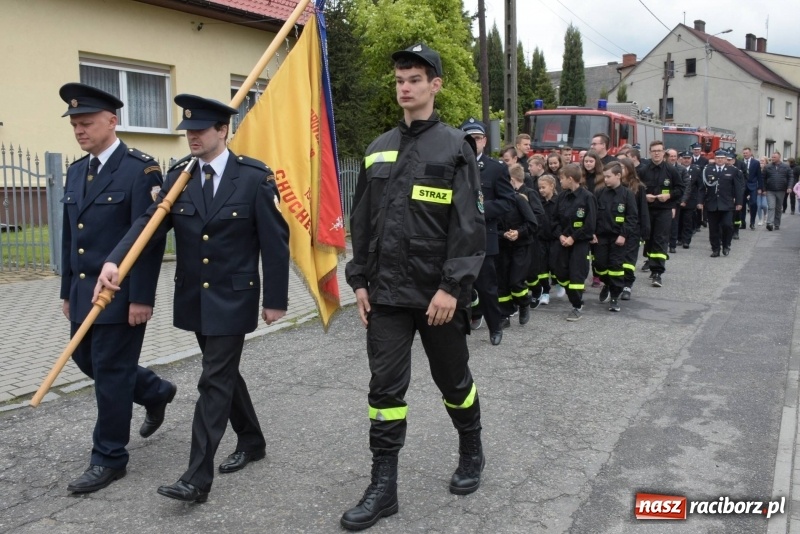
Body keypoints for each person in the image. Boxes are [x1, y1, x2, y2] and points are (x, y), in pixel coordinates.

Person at [95, 94, 290, 503]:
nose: (192, 137)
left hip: (234, 299)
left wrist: (276, 298)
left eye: (201, 130)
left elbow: (275, 244)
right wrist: (116, 261)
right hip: (194, 298)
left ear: (223, 130)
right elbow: (149, 224)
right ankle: (252, 441)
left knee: (213, 380)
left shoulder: (253, 177)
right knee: (224, 373)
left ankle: (196, 478)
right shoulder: (180, 175)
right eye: (188, 131)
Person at [341, 44, 487, 531]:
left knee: (454, 384)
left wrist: (451, 287)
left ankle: (471, 449)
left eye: (415, 79)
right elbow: (361, 219)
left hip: (437, 297)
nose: (405, 87)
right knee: (384, 390)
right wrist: (358, 279)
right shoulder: (379, 146)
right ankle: (383, 487)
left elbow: (468, 226)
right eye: (400, 80)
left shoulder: (455, 147)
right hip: (384, 295)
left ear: (434, 86)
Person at [58, 83, 175, 494]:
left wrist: (141, 296)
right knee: (86, 361)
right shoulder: (76, 171)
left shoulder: (139, 170)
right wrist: (65, 290)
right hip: (82, 293)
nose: (79, 130)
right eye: (75, 124)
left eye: (86, 122)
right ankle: (155, 390)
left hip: (120, 294)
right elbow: (71, 237)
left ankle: (109, 457)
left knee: (109, 372)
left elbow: (150, 235)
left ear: (112, 120)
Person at [462, 118, 514, 345]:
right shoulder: (454, 165)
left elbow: (507, 202)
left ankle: (495, 327)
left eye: (477, 138)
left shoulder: (496, 169)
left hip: (484, 236)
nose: (473, 142)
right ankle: (458, 328)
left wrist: (480, 210)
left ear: (484, 140)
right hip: (457, 237)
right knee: (457, 286)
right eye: (469, 138)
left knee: (487, 286)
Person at [591, 162, 638, 312]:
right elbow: (592, 214)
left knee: (616, 267)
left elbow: (632, 217)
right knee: (600, 265)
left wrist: (623, 235)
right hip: (601, 237)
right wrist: (592, 233)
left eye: (608, 176)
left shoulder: (627, 194)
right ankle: (608, 283)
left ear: (618, 176)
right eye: (604, 176)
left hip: (618, 238)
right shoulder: (599, 192)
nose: (605, 179)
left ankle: (614, 297)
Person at [553, 164, 596, 321]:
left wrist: (574, 237)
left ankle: (577, 306)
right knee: (561, 273)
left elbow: (590, 224)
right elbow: (555, 220)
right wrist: (561, 236)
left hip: (579, 243)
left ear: (570, 179)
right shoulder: (562, 197)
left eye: (562, 179)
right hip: (563, 242)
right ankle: (575, 300)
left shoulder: (587, 197)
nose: (560, 182)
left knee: (576, 276)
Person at [637, 140, 683, 287]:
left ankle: (658, 272)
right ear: (650, 153)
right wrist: (645, 196)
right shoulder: (643, 171)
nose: (656, 153)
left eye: (659, 150)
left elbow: (680, 189)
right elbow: (635, 189)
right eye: (653, 151)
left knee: (661, 239)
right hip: (647, 210)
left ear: (664, 153)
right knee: (649, 239)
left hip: (664, 210)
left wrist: (669, 196)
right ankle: (651, 263)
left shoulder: (671, 170)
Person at [497, 163, 538, 323]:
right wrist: (503, 234)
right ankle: (505, 314)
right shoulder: (496, 202)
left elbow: (532, 223)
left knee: (515, 280)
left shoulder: (519, 200)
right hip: (503, 246)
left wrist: (518, 233)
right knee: (502, 283)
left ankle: (524, 303)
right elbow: (492, 226)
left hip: (521, 246)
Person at [699, 149, 743, 256]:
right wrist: (700, 201)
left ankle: (726, 245)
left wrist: (739, 202)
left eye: (722, 158)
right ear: (714, 159)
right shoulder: (707, 170)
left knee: (727, 225)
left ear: (726, 159)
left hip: (727, 203)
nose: (720, 160)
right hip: (712, 203)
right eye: (718, 158)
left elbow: (738, 188)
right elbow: (702, 188)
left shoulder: (733, 170)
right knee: (713, 228)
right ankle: (715, 249)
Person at [617, 157, 649, 300]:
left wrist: (644, 230)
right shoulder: (613, 186)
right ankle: (614, 284)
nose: (620, 171)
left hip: (632, 228)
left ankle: (627, 285)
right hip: (616, 228)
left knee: (629, 259)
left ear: (630, 169)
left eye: (623, 168)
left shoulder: (638, 187)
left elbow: (643, 210)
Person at [535, 175, 559, 304]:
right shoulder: (538, 202)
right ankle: (545, 291)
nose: (541, 190)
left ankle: (559, 282)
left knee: (555, 265)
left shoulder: (559, 201)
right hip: (541, 239)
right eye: (539, 188)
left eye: (543, 187)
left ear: (552, 186)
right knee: (542, 267)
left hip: (555, 239)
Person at [677, 151, 702, 248]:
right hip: (678, 198)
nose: (686, 160)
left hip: (691, 199)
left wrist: (699, 201)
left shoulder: (696, 170)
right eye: (684, 158)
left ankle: (686, 240)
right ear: (681, 159)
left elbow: (700, 186)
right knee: (678, 220)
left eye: (688, 158)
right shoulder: (677, 169)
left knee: (688, 220)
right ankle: (679, 238)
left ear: (691, 159)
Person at [763, 151, 793, 231]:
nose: (772, 158)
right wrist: (764, 189)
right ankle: (769, 223)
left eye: (774, 157)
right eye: (772, 157)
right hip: (770, 190)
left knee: (778, 208)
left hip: (781, 190)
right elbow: (763, 179)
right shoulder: (767, 167)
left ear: (779, 157)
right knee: (771, 207)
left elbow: (790, 177)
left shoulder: (786, 167)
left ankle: (777, 224)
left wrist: (789, 187)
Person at [740, 147, 763, 230]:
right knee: (741, 205)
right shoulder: (740, 162)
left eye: (746, 153)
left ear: (750, 153)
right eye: (744, 153)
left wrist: (760, 187)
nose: (745, 154)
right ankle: (743, 223)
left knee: (753, 203)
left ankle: (752, 222)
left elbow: (759, 176)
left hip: (753, 185)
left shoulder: (756, 163)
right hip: (742, 186)